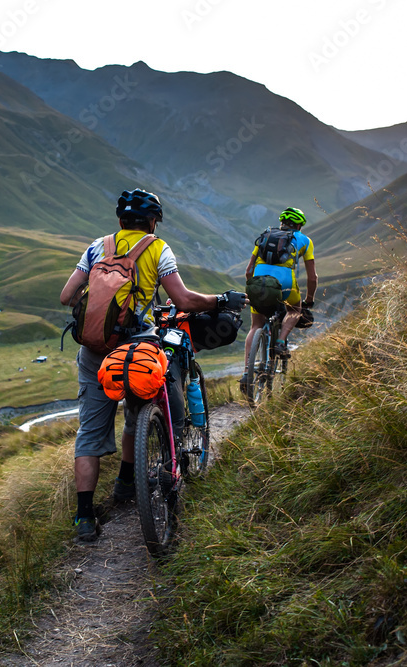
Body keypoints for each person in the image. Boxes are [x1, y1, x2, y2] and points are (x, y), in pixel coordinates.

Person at [59, 188, 246, 543]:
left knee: (89, 434)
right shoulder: (157, 249)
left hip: (94, 352)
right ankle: (127, 482)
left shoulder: (97, 246)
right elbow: (184, 300)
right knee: (140, 409)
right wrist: (221, 299)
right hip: (136, 348)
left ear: (119, 221)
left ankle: (84, 519)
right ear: (152, 222)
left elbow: (67, 296)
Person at [241, 207, 318, 385]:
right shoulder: (305, 240)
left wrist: (252, 289)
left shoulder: (265, 236)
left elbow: (248, 270)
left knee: (256, 325)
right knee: (294, 309)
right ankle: (281, 341)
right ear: (300, 225)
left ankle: (247, 372)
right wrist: (309, 299)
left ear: (281, 222)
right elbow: (312, 277)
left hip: (259, 282)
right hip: (285, 283)